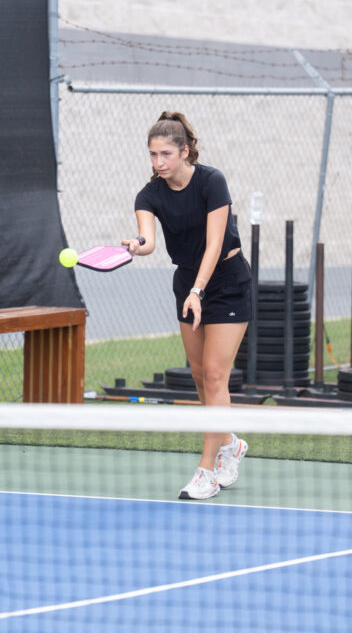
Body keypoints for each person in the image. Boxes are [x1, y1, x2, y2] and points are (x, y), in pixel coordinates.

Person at [122, 111, 252, 500]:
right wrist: (137, 245)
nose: (159, 162)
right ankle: (230, 443)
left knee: (214, 375)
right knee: (198, 376)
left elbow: (214, 244)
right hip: (187, 284)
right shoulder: (149, 195)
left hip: (226, 282)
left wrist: (199, 290)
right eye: (152, 154)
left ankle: (206, 471)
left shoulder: (212, 182)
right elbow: (148, 241)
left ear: (185, 151)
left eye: (166, 153)